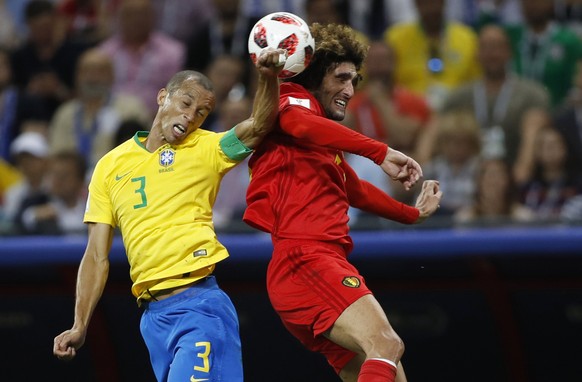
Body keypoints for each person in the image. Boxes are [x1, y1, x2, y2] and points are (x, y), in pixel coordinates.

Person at [52, 48, 286, 381]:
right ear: (163, 96)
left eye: (202, 112)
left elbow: (261, 123)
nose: (191, 117)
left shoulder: (208, 148)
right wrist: (80, 323)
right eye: (186, 103)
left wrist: (267, 76)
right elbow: (95, 257)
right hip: (152, 320)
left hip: (200, 307)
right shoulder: (109, 167)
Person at [243, 23, 442, 382]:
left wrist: (413, 214)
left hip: (320, 264)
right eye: (342, 78)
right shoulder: (290, 97)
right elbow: (301, 125)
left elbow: (356, 190)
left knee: (391, 372)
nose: (350, 91)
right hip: (305, 261)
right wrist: (379, 151)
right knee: (386, 344)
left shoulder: (322, 138)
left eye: (355, 81)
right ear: (316, 73)